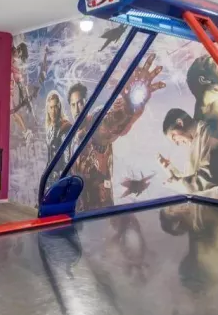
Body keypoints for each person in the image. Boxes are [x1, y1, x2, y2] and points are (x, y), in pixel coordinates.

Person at [67, 53, 166, 211]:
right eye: (73, 104)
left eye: (80, 103)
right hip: (79, 211)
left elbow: (110, 124)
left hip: (99, 213)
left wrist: (129, 105)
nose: (77, 108)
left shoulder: (94, 122)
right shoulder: (72, 136)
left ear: (88, 102)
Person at [45, 90, 72, 187]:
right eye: (51, 107)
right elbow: (49, 156)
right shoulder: (49, 128)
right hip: (50, 177)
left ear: (59, 107)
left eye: (56, 106)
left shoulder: (65, 127)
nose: (53, 111)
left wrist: (62, 179)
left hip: (61, 177)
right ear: (48, 109)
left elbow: (67, 159)